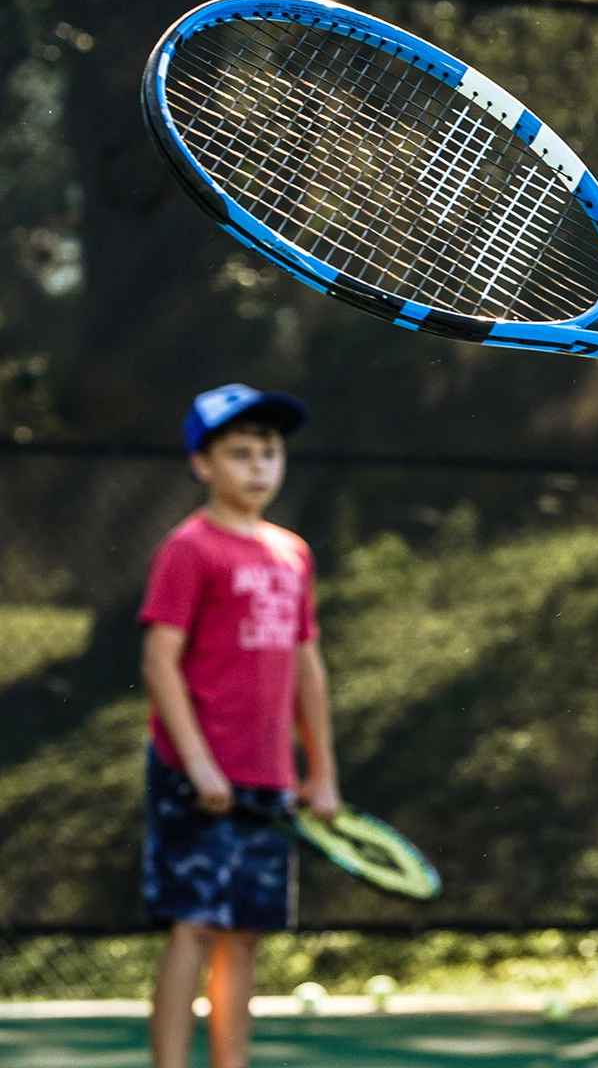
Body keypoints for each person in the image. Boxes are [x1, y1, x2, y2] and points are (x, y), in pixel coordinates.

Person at [140, 383, 340, 1068]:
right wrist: (197, 765)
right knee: (195, 926)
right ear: (202, 464)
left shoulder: (293, 552)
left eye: (270, 451)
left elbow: (307, 665)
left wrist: (322, 774)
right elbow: (160, 660)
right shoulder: (189, 548)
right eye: (239, 453)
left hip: (269, 776)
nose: (258, 466)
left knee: (246, 933)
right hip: (192, 775)